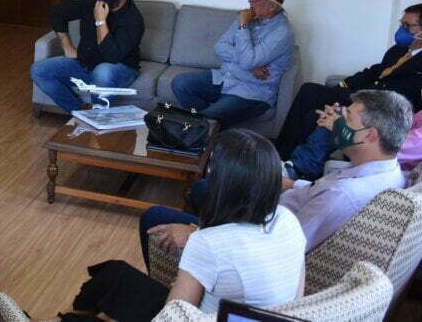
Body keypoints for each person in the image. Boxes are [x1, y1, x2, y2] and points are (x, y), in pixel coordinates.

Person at [140, 89, 413, 267]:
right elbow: (316, 194)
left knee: (155, 217)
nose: (338, 121)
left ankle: (189, 276)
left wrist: (196, 236)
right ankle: (208, 233)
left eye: (347, 118)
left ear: (370, 135)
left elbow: (280, 248)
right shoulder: (386, 170)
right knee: (204, 188)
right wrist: (289, 184)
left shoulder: (343, 196)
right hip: (278, 209)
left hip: (261, 231)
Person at [52, 130, 305, 322]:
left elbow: (171, 318)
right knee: (115, 279)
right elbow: (297, 300)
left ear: (223, 184)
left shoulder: (209, 244)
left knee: (114, 275)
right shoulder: (287, 220)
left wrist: (179, 286)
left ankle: (72, 316)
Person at [276, 3, 422, 157]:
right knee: (311, 101)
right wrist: (343, 85)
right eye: (401, 24)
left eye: (408, 26)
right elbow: (375, 71)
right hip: (364, 96)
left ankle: (288, 158)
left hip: (386, 107)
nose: (401, 30)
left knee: (312, 103)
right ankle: (284, 156)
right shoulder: (397, 50)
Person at [283, 61, 422, 179]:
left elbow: (394, 148)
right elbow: (400, 127)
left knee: (337, 121)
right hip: (383, 149)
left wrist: (342, 125)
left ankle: (298, 169)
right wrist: (346, 117)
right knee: (339, 114)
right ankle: (299, 167)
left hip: (390, 168)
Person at [170, 0, 294, 127]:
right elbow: (219, 46)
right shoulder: (247, 17)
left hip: (251, 92)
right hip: (225, 79)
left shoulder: (281, 33)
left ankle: (207, 125)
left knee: (207, 119)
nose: (249, 0)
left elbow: (248, 61)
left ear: (272, 6)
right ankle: (209, 126)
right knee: (180, 83)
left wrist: (243, 27)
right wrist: (250, 64)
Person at [29, 0, 145, 113]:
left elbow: (111, 57)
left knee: (102, 72)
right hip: (86, 62)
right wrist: (67, 46)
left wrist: (100, 21)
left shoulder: (133, 20)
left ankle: (97, 116)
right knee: (39, 70)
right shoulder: (92, 1)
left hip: (120, 68)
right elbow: (57, 12)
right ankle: (80, 112)